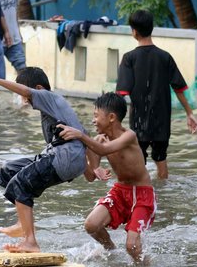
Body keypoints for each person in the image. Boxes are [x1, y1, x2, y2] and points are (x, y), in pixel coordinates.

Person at [0, 66, 86, 252]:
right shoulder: (53, 108)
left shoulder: (49, 97)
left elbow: (27, 91)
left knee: (21, 184)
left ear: (39, 89)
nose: (23, 97)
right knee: (8, 171)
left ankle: (30, 242)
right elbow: (83, 135)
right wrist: (89, 169)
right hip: (63, 157)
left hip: (64, 159)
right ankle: (22, 224)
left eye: (26, 92)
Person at [57, 92, 155, 263]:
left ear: (111, 117)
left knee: (132, 246)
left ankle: (144, 264)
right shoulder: (98, 141)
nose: (93, 120)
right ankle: (111, 251)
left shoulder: (128, 136)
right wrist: (86, 157)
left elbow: (104, 150)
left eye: (96, 115)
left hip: (142, 194)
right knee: (91, 225)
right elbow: (90, 175)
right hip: (120, 191)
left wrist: (81, 135)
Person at [116, 9, 197, 179]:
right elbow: (179, 88)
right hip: (162, 122)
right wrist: (190, 113)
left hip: (139, 123)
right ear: (151, 28)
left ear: (134, 32)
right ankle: (163, 199)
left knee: (139, 165)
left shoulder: (129, 58)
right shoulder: (165, 57)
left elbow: (121, 94)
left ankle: (145, 199)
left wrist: (114, 125)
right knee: (161, 160)